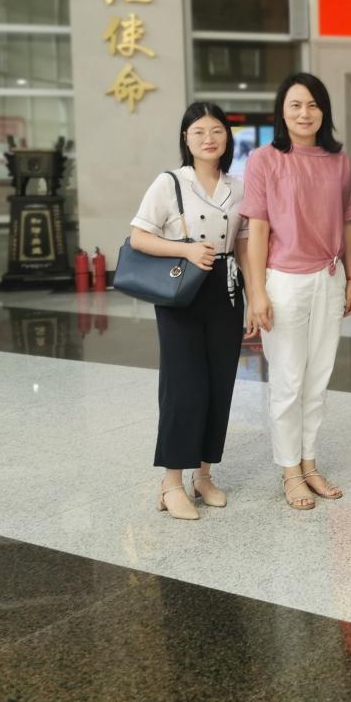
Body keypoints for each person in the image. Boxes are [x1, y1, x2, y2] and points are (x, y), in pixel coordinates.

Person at [241, 73, 351, 511]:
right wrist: (257, 292)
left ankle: (310, 464)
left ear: (323, 110)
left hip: (330, 276)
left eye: (312, 104)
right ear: (282, 112)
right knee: (288, 381)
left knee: (318, 378)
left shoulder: (338, 159)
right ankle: (290, 470)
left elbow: (348, 221)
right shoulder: (265, 159)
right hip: (284, 281)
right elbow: (257, 229)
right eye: (295, 105)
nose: (304, 113)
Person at [130, 102, 252, 521]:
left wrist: (254, 294)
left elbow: (243, 244)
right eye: (198, 131)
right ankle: (171, 484)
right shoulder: (169, 183)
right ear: (186, 138)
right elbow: (139, 237)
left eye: (216, 130)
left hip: (227, 290)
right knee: (184, 388)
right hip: (182, 289)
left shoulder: (238, 187)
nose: (208, 139)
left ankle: (204, 475)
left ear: (227, 137)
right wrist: (185, 249)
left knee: (220, 384)